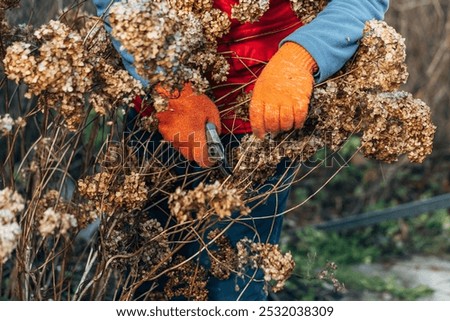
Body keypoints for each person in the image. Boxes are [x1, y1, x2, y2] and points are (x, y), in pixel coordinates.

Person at [92, 0, 389, 300]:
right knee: (150, 286)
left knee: (233, 290)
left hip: (259, 128)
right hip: (162, 123)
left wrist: (301, 56)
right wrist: (168, 88)